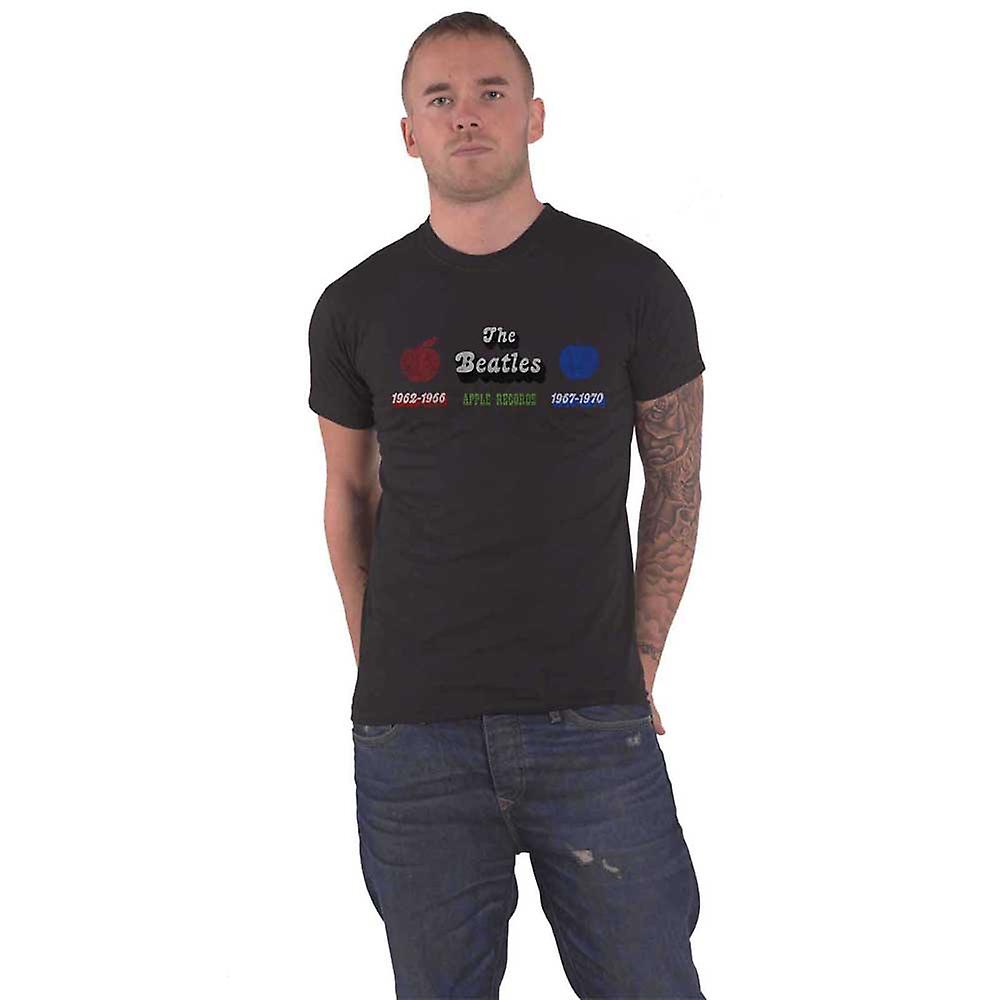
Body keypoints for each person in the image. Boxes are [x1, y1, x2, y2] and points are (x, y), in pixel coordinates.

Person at [307, 12, 707, 999]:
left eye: (491, 93)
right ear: (409, 132)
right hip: (414, 742)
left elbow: (676, 482)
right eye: (439, 98)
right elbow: (348, 494)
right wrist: (378, 659)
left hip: (593, 727)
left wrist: (640, 658)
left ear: (534, 116)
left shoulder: (632, 284)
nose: (466, 115)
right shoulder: (356, 306)